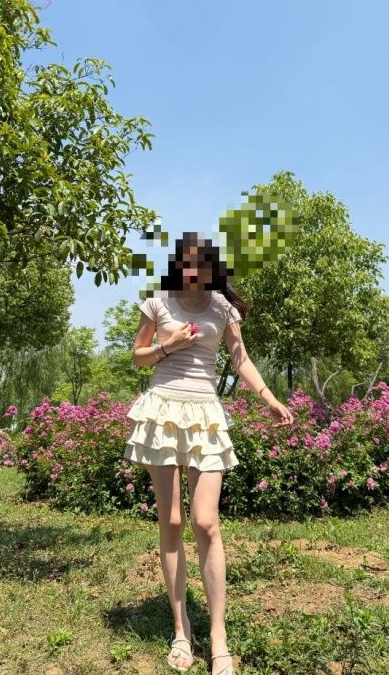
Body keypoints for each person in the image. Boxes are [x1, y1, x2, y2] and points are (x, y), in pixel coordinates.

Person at [123, 231, 294, 674]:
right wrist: (169, 345)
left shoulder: (222, 308)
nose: (193, 273)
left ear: (212, 268)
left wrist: (269, 398)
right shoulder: (158, 301)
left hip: (205, 415)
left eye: (201, 265)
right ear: (177, 266)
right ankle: (181, 630)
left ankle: (219, 637)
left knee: (206, 522)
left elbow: (240, 359)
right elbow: (138, 357)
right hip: (162, 412)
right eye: (186, 264)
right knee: (171, 521)